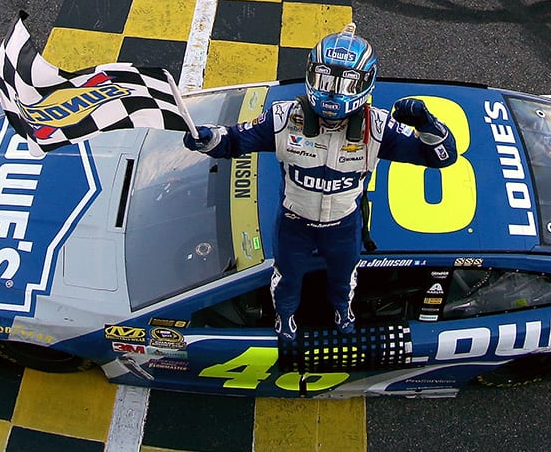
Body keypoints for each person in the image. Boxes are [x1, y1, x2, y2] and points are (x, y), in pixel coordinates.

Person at [183, 23, 457, 341]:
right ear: (312, 74)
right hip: (294, 225)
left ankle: (343, 313)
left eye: (346, 82)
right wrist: (204, 138)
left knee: (344, 279)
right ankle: (285, 319)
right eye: (326, 79)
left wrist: (427, 123)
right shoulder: (284, 117)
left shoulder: (378, 127)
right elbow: (232, 141)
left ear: (365, 83)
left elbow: (442, 157)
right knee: (286, 279)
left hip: (343, 225)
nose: (333, 92)